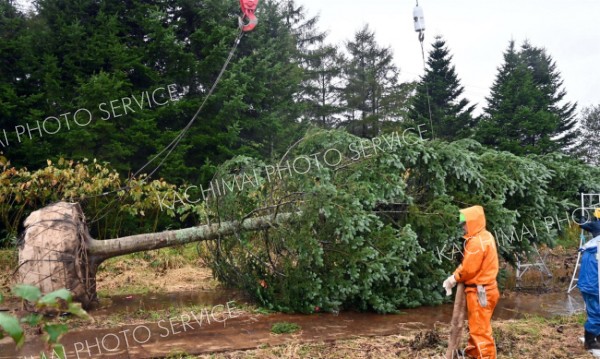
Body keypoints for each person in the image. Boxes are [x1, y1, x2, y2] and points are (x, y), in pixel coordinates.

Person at [443, 205, 500, 359]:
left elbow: (468, 269)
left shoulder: (476, 243)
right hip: (487, 289)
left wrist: (453, 279)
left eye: (465, 223)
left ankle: (485, 356)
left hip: (480, 291)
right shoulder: (486, 235)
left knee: (480, 330)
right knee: (477, 325)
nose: (463, 227)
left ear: (472, 222)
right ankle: (473, 353)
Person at [577, 208, 600, 352]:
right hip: (593, 286)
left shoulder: (592, 246)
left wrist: (581, 220)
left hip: (592, 285)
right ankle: (590, 342)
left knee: (597, 313)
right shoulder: (594, 250)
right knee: (596, 314)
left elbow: (582, 224)